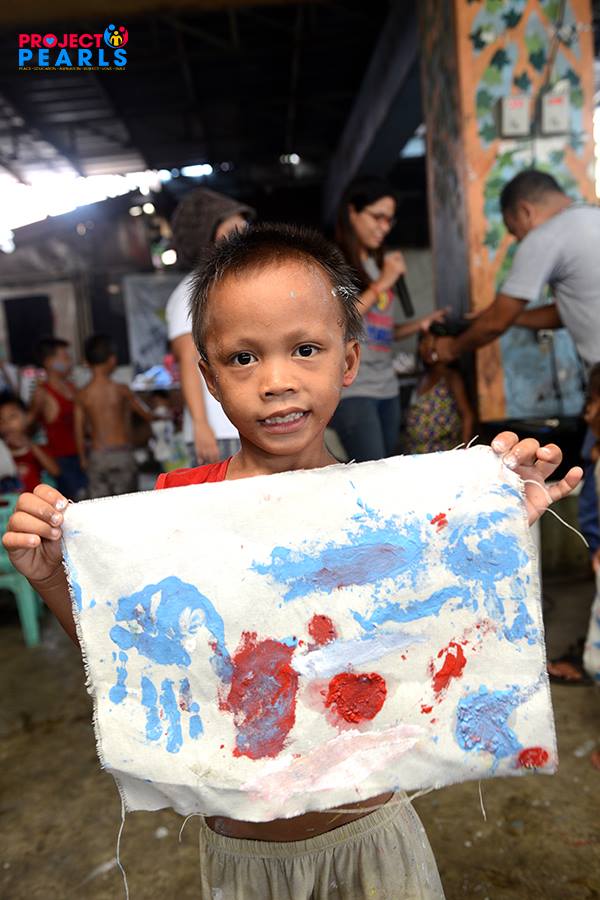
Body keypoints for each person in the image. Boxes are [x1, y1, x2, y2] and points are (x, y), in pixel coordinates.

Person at [3, 224, 583, 900]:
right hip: (244, 859)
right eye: (243, 358)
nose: (276, 382)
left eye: (305, 349)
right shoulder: (175, 512)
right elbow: (128, 659)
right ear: (209, 377)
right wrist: (51, 577)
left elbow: (438, 649)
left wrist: (490, 527)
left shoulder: (393, 516)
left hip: (372, 840)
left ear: (348, 361)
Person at [330, 176, 446, 462]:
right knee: (372, 473)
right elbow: (340, 318)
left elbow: (379, 331)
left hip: (387, 387)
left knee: (389, 467)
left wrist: (422, 323)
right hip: (354, 390)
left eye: (389, 220)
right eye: (377, 217)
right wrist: (383, 282)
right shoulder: (334, 264)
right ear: (352, 212)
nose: (384, 227)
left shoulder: (376, 265)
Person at [166, 186, 254, 465]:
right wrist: (201, 425)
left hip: (242, 425)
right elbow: (188, 359)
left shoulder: (228, 288)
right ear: (209, 237)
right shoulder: (191, 292)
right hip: (218, 433)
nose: (244, 235)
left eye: (245, 227)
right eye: (233, 229)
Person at [74, 334, 154, 498]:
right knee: (126, 504)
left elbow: (78, 431)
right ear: (112, 360)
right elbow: (147, 415)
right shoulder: (121, 390)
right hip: (122, 454)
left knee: (100, 505)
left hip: (98, 455)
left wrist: (82, 458)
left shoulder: (82, 395)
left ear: (87, 362)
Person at [29, 337, 87, 499]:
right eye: (65, 357)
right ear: (49, 362)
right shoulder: (42, 392)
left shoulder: (72, 388)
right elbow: (28, 423)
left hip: (82, 455)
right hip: (62, 461)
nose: (69, 362)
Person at [403, 326, 475, 454]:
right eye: (423, 342)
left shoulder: (451, 377)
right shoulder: (422, 377)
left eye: (431, 342)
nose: (426, 348)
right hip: (415, 452)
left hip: (442, 453)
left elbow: (467, 415)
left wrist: (465, 451)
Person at [0, 395, 59, 493]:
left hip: (38, 497)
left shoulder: (37, 444)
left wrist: (29, 444)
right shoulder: (2, 450)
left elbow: (55, 471)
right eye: (1, 419)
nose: (7, 423)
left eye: (12, 416)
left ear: (26, 418)